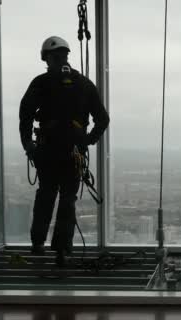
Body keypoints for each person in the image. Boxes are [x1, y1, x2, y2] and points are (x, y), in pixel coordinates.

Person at [19, 36, 109, 267]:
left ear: (47, 58)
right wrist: (87, 141)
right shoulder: (84, 84)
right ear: (66, 55)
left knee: (46, 195)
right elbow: (102, 119)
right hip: (73, 153)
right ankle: (62, 251)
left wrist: (28, 144)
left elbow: (26, 114)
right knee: (67, 200)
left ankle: (38, 243)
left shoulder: (41, 82)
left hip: (48, 151)